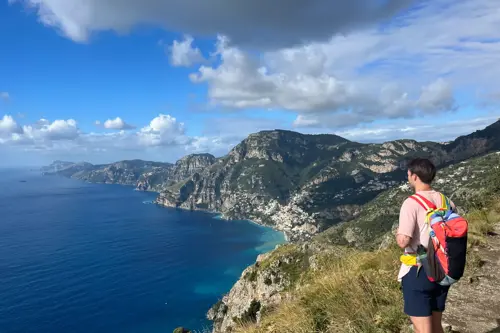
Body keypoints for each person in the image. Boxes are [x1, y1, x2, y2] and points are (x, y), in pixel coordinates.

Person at [396, 158, 456, 333]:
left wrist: (398, 235)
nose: (408, 177)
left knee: (423, 329)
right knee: (437, 326)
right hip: (444, 268)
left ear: (414, 176)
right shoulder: (446, 201)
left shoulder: (411, 203)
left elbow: (404, 241)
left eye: (408, 174)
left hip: (419, 270)